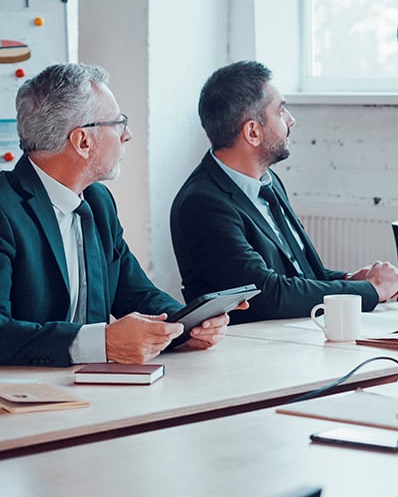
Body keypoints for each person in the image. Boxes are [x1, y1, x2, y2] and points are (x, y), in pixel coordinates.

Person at [0, 63, 234, 367]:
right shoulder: (5, 207)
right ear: (83, 141)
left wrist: (186, 327)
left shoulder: (98, 202)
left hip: (96, 386)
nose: (128, 135)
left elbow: (136, 292)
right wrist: (102, 343)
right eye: (118, 123)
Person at [171, 61, 398, 323]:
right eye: (281, 111)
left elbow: (300, 278)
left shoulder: (267, 182)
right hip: (255, 350)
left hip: (296, 336)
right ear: (252, 132)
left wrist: (350, 280)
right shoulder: (203, 204)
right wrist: (370, 290)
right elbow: (268, 294)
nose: (291, 119)